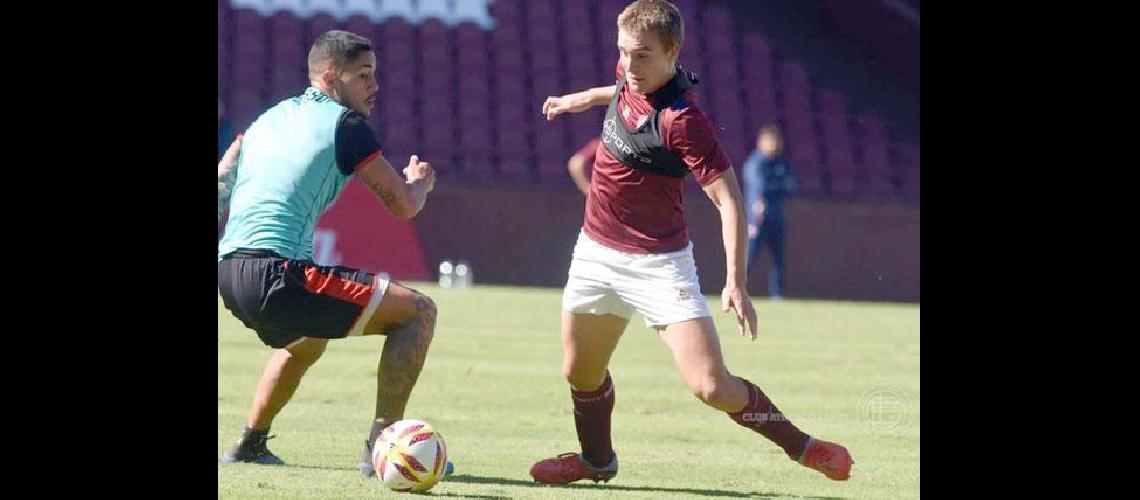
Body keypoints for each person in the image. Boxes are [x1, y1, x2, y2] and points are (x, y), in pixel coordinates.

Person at [530, 0, 852, 484]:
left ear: (672, 52)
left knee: (711, 386)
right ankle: (597, 461)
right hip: (595, 254)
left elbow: (730, 203)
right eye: (623, 53)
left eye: (642, 56)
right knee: (578, 371)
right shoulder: (629, 74)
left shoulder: (684, 120)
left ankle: (803, 447)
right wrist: (577, 100)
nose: (629, 67)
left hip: (659, 265)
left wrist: (736, 283)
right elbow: (615, 90)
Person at [217, 30, 441, 478]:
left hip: (229, 271)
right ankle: (383, 448)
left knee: (306, 341)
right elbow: (403, 205)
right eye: (362, 76)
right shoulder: (347, 126)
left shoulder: (266, 119)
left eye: (374, 75)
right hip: (278, 274)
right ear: (329, 77)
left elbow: (222, 183)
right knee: (417, 312)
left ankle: (251, 442)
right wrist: (421, 181)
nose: (374, 86)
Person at [742, 125, 797, 299]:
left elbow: (793, 188)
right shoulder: (755, 163)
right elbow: (760, 187)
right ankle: (736, 288)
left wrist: (776, 188)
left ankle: (777, 295)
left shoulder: (782, 162)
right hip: (757, 220)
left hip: (776, 218)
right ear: (761, 142)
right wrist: (778, 187)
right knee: (748, 258)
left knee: (778, 259)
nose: (774, 145)